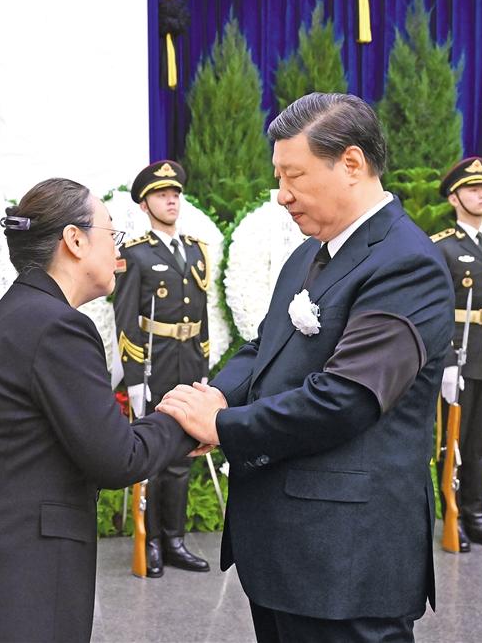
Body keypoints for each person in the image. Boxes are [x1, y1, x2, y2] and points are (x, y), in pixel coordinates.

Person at [157, 92, 454, 642]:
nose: (282, 195)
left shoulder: (405, 263)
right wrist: (217, 396)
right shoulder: (310, 252)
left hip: (346, 561)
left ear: (351, 164)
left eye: (294, 175)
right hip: (286, 553)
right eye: (278, 177)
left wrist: (222, 427)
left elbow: (347, 398)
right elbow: (265, 347)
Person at [0, 178, 197, 642]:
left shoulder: (21, 310)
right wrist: (185, 419)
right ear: (75, 240)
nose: (118, 250)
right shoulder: (58, 326)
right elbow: (118, 458)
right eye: (111, 233)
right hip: (16, 580)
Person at [113, 160, 210, 577]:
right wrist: (135, 379)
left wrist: (203, 366)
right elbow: (125, 318)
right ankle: (150, 541)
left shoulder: (196, 250)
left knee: (183, 453)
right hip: (154, 363)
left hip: (188, 360)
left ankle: (174, 540)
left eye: (175, 194)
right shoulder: (134, 254)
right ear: (144, 204)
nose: (171, 200)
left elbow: (202, 313)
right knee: (153, 455)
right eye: (161, 195)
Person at [431, 156, 482, 552]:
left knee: (481, 443)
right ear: (454, 198)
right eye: (472, 189)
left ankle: (476, 517)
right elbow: (436, 310)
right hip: (459, 355)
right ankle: (453, 516)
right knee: (453, 442)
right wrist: (446, 363)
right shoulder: (442, 247)